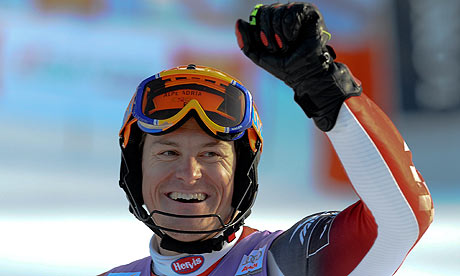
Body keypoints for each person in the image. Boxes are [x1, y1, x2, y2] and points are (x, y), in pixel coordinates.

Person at [100, 3, 433, 276]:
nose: (189, 174)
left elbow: (402, 221)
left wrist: (326, 89)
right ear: (135, 170)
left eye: (212, 155)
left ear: (243, 173)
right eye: (168, 152)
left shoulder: (288, 263)